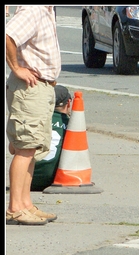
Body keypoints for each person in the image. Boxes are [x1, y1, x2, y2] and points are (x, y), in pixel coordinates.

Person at [6, 6, 61, 225]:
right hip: (31, 88)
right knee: (25, 148)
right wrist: (17, 68)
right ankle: (14, 208)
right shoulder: (33, 9)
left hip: (41, 87)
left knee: (32, 148)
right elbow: (8, 36)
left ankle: (25, 204)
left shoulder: (46, 10)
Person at [31, 85, 72, 191]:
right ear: (69, 103)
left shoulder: (35, 119)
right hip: (53, 181)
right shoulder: (71, 125)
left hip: (27, 179)